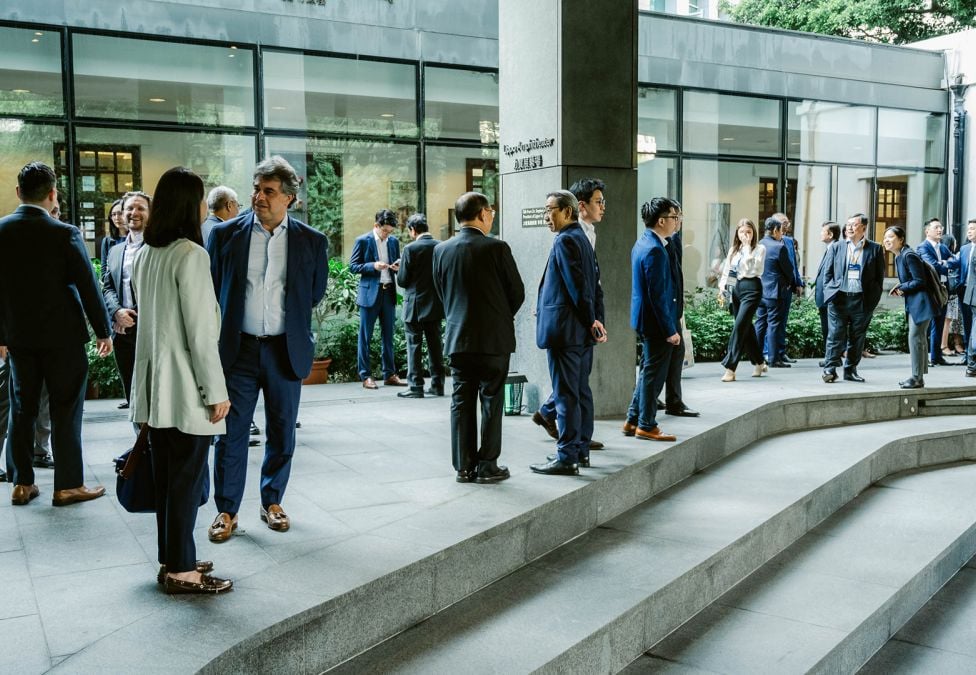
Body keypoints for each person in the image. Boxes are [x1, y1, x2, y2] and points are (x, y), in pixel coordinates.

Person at [207, 156, 329, 540]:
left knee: (281, 431)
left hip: (284, 351)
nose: (259, 197)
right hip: (237, 351)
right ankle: (226, 511)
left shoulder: (312, 241)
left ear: (289, 198)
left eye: (269, 191)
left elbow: (314, 293)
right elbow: (212, 290)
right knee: (231, 434)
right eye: (256, 189)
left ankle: (272, 501)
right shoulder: (225, 235)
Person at [130, 166, 233, 595]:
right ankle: (182, 571)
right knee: (185, 481)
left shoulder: (145, 254)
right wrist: (217, 391)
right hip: (186, 386)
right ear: (190, 205)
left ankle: (175, 558)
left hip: (154, 387)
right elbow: (200, 333)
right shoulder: (190, 255)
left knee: (169, 480)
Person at [0, 162, 112, 506]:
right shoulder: (64, 232)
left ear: (19, 192)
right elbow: (88, 285)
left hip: (19, 337)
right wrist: (103, 330)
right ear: (52, 194)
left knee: (22, 407)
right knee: (66, 409)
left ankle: (21, 483)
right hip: (63, 338)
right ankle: (67, 485)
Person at [432, 192, 524, 484]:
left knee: (461, 400)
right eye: (491, 212)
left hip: (458, 337)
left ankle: (463, 466)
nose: (492, 216)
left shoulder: (441, 250)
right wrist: (498, 315)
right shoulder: (497, 248)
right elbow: (517, 292)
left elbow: (441, 291)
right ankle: (487, 465)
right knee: (491, 400)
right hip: (493, 340)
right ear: (483, 214)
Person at [529, 190, 606, 476]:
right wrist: (596, 322)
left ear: (568, 211)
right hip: (580, 332)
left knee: (566, 396)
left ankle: (567, 456)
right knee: (580, 392)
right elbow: (595, 286)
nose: (546, 215)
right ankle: (580, 451)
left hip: (566, 333)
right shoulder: (582, 238)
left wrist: (590, 321)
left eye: (550, 209)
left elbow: (578, 287)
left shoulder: (565, 240)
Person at [623, 198, 681, 443]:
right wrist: (670, 329)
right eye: (674, 217)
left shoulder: (643, 242)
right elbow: (657, 295)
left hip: (645, 320)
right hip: (657, 323)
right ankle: (647, 424)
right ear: (661, 220)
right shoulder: (656, 249)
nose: (677, 222)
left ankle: (633, 419)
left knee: (648, 370)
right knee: (653, 375)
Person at [821, 213, 885, 383]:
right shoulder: (837, 247)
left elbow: (879, 278)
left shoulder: (875, 249)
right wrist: (830, 293)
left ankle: (850, 370)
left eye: (854, 225)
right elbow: (827, 274)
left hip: (862, 301)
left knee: (857, 337)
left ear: (863, 228)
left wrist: (873, 300)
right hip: (839, 298)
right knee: (835, 334)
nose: (849, 227)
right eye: (848, 224)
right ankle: (829, 368)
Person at [102, 191, 151, 410]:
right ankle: (140, 442)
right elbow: (108, 286)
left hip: (150, 329)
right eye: (129, 208)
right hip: (123, 332)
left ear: (150, 213)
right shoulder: (115, 250)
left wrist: (136, 313)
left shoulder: (159, 248)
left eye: (141, 208)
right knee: (132, 391)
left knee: (152, 391)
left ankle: (155, 443)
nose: (134, 213)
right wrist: (118, 312)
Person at [349, 209, 407, 389]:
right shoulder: (363, 241)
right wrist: (373, 265)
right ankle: (365, 376)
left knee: (388, 336)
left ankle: (389, 374)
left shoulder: (393, 241)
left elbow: (397, 261)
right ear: (376, 226)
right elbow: (353, 266)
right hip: (369, 294)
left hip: (388, 292)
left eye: (390, 232)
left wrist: (398, 266)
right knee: (365, 337)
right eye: (385, 231)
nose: (387, 234)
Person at [395, 213, 445, 398]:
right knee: (435, 346)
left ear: (412, 230)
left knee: (414, 345)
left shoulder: (410, 248)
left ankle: (416, 386)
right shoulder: (440, 246)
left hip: (414, 305)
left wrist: (399, 268)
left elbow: (402, 280)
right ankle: (438, 385)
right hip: (436, 304)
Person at [884, 226, 936, 389]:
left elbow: (919, 281)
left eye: (891, 237)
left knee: (915, 338)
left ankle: (916, 377)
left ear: (901, 240)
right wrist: (902, 288)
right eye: (885, 237)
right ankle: (918, 376)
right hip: (915, 303)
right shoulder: (900, 256)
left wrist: (902, 288)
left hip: (922, 303)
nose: (887, 240)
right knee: (918, 338)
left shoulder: (909, 255)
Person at [717, 218, 766, 382]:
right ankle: (759, 362)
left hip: (752, 287)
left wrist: (747, 249)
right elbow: (727, 271)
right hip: (736, 289)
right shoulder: (733, 250)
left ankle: (730, 368)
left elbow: (754, 268)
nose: (745, 235)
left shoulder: (759, 249)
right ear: (737, 233)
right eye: (742, 232)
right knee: (746, 328)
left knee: (739, 327)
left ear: (754, 233)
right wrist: (723, 287)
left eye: (749, 232)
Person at [753, 218, 794, 369]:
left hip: (760, 290)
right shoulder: (779, 247)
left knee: (760, 323)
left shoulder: (758, 245)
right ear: (775, 230)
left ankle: (756, 357)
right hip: (775, 292)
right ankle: (774, 358)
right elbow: (788, 270)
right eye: (781, 231)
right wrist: (789, 282)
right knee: (774, 325)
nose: (782, 235)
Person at [917, 218, 952, 366]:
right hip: (930, 290)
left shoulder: (943, 248)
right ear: (927, 231)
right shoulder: (922, 247)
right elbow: (933, 266)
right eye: (936, 227)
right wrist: (945, 264)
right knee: (929, 324)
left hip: (943, 289)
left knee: (939, 323)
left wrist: (945, 263)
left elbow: (955, 260)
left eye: (941, 227)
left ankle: (937, 357)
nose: (940, 230)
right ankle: (927, 358)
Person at [772, 212, 804, 363]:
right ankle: (770, 352)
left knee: (783, 321)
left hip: (788, 287)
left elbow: (794, 266)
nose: (786, 225)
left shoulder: (790, 241)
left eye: (787, 222)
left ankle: (781, 352)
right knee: (773, 322)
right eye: (783, 222)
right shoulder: (769, 242)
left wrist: (798, 283)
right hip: (774, 288)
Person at [814, 222, 842, 356]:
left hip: (829, 297)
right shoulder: (829, 248)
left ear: (830, 235)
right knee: (827, 328)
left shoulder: (836, 249)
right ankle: (830, 356)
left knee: (831, 329)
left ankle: (832, 356)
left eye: (823, 231)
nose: (820, 233)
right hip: (824, 297)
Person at [957, 219, 976, 365]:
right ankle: (968, 355)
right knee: (968, 323)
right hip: (964, 290)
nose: (969, 231)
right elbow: (957, 265)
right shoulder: (964, 249)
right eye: (968, 229)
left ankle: (972, 357)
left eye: (972, 229)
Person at [99, 198, 126, 266]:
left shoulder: (135, 239)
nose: (117, 217)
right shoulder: (107, 241)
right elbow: (104, 267)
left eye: (120, 213)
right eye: (113, 214)